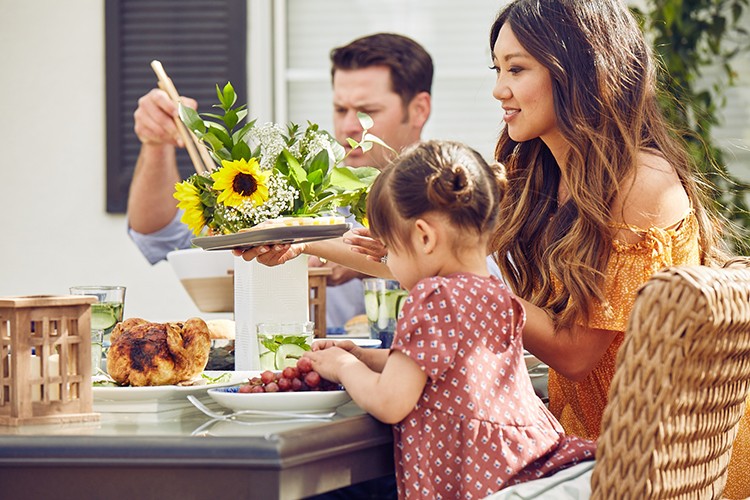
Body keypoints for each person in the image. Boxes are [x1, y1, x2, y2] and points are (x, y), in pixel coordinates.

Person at [304, 140, 596, 499]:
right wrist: (365, 357)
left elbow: (391, 401)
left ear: (424, 237)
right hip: (523, 467)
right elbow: (438, 369)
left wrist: (345, 366)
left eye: (390, 249)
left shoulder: (433, 296)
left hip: (485, 484)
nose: (388, 264)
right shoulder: (495, 294)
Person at [126, 33, 433, 331]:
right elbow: (159, 235)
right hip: (292, 366)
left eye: (368, 112)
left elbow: (475, 276)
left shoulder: (452, 193)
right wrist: (156, 143)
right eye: (341, 109)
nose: (350, 126)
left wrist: (355, 261)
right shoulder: (302, 189)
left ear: (419, 109)